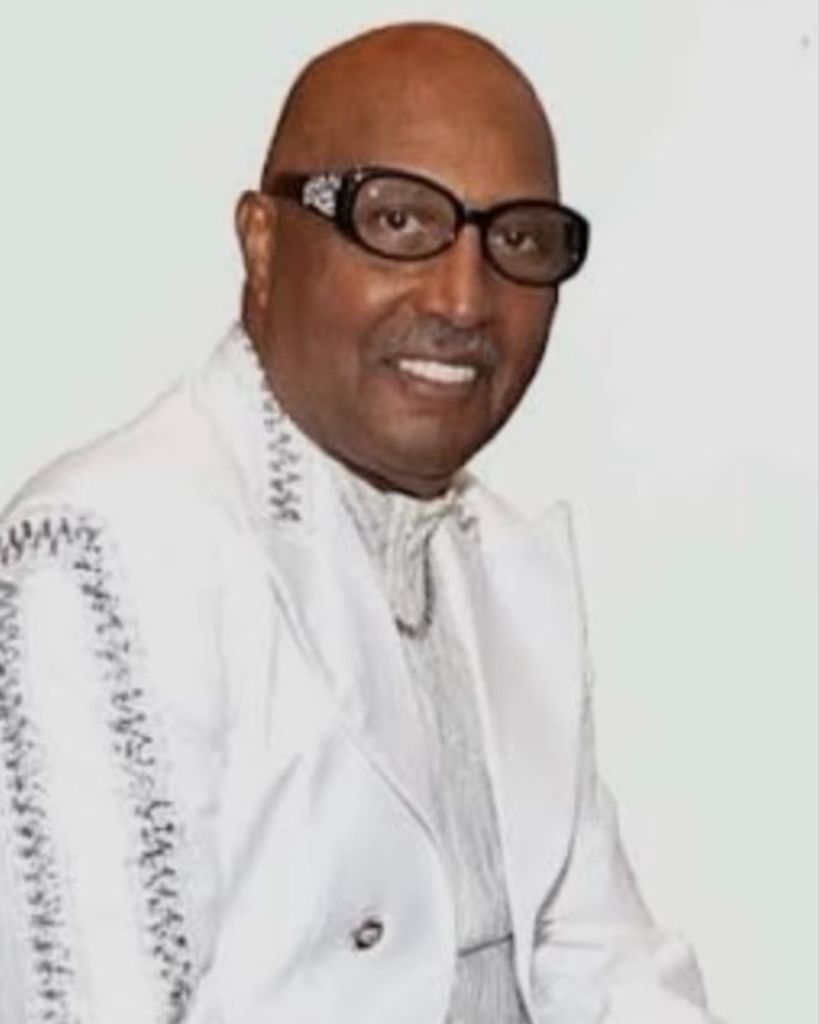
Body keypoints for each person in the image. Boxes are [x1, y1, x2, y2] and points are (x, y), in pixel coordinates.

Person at [0, 22, 721, 1024]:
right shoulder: (108, 551)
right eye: (398, 220)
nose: (464, 298)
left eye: (518, 240)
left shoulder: (497, 563)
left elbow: (606, 965)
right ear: (262, 242)